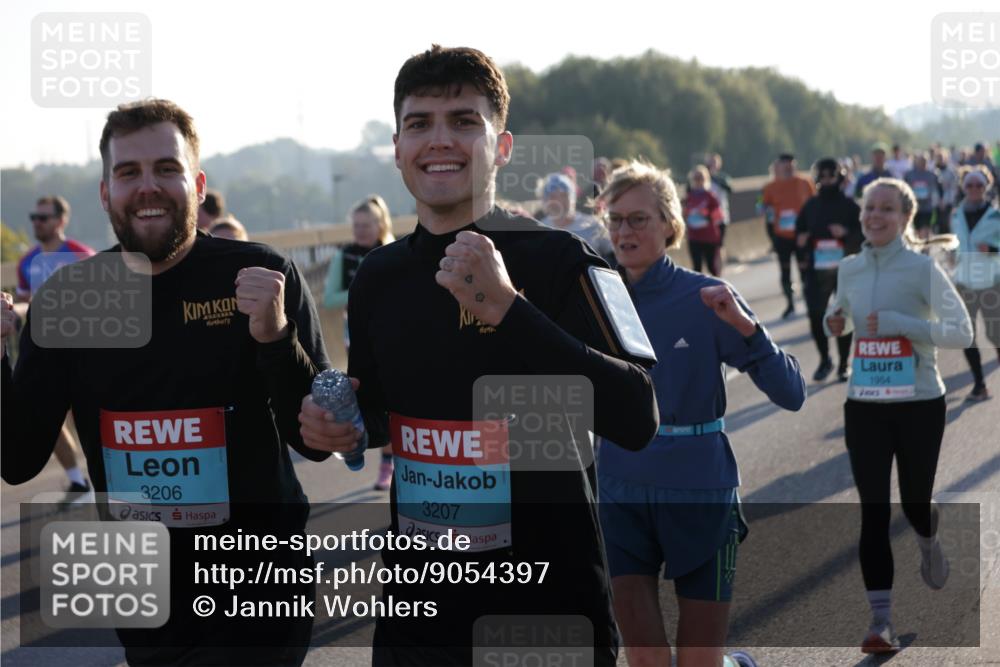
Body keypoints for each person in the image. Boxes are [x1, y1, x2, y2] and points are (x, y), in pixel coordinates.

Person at [296, 44, 659, 666]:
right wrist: (342, 428)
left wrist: (511, 311)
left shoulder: (561, 259)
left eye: (464, 121)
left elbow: (637, 414)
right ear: (397, 147)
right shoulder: (378, 277)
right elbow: (385, 412)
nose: (440, 140)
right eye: (420, 124)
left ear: (504, 146)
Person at [1, 99, 330, 666]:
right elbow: (18, 457)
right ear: (105, 193)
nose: (147, 187)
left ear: (197, 184)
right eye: (128, 173)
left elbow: (316, 442)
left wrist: (277, 338)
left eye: (167, 169)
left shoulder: (261, 273)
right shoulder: (71, 300)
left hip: (259, 584)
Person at [596, 159, 804, 667]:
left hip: (699, 491)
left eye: (638, 219)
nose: (625, 231)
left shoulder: (705, 297)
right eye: (616, 219)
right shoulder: (595, 299)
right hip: (620, 491)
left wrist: (751, 331)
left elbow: (793, 393)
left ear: (670, 225)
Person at [824, 178, 973, 654]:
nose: (875, 216)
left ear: (906, 218)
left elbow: (961, 331)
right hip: (864, 405)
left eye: (887, 209)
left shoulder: (921, 270)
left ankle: (927, 539)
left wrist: (904, 326)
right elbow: (842, 313)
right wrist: (836, 321)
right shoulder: (848, 268)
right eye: (870, 208)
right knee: (872, 511)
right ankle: (880, 622)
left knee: (913, 502)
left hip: (919, 404)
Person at [16, 195, 96, 504]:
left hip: (83, 350)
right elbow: (25, 301)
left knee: (85, 420)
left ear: (61, 221)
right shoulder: (27, 260)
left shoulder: (82, 256)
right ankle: (78, 482)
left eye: (43, 218)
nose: (37, 222)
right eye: (34, 217)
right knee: (47, 418)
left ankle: (101, 479)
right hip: (44, 351)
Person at [323, 194, 397, 489]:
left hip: (395, 337)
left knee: (395, 402)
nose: (360, 230)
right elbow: (330, 299)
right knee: (366, 402)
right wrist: (365, 288)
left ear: (380, 225)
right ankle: (357, 449)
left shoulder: (394, 251)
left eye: (366, 225)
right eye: (356, 225)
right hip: (356, 339)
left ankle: (391, 464)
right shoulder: (346, 255)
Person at [796, 158, 863, 382]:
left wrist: (845, 233)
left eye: (831, 176)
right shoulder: (810, 206)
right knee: (816, 314)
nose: (826, 181)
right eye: (822, 177)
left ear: (840, 178)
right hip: (817, 270)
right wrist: (802, 243)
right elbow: (799, 233)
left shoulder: (850, 206)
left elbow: (864, 235)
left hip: (844, 268)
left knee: (842, 314)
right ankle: (825, 359)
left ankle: (844, 362)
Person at [949, 166, 1000, 402]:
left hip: (991, 281)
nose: (974, 189)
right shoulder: (956, 214)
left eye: (979, 185)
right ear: (963, 187)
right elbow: (955, 242)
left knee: (995, 334)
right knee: (966, 334)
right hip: (965, 282)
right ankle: (980, 385)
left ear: (986, 186)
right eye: (969, 185)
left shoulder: (995, 214)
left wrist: (991, 250)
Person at [761, 153, 815, 318]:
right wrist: (763, 208)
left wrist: (810, 229)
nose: (788, 169)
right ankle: (790, 304)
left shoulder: (805, 182)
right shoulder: (770, 187)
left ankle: (808, 301)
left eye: (791, 166)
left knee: (805, 270)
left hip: (802, 235)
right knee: (785, 271)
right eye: (785, 166)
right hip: (781, 236)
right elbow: (760, 204)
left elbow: (815, 204)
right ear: (779, 167)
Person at [538, 172, 615, 263]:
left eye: (563, 195)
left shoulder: (593, 225)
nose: (558, 201)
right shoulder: (540, 230)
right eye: (552, 196)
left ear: (572, 198)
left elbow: (613, 255)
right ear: (545, 200)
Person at [683, 165, 725, 276]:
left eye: (701, 178)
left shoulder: (710, 196)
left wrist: (706, 215)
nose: (698, 180)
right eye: (695, 178)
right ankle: (698, 292)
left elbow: (719, 216)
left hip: (709, 237)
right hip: (694, 237)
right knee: (697, 267)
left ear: (705, 179)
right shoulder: (689, 197)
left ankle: (718, 288)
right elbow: (684, 215)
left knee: (712, 267)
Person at [934, 150, 959, 234]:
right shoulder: (933, 171)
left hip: (948, 202)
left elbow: (952, 187)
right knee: (938, 224)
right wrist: (938, 201)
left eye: (942, 158)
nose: (940, 160)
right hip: (936, 202)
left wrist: (945, 201)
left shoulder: (950, 171)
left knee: (947, 223)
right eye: (938, 158)